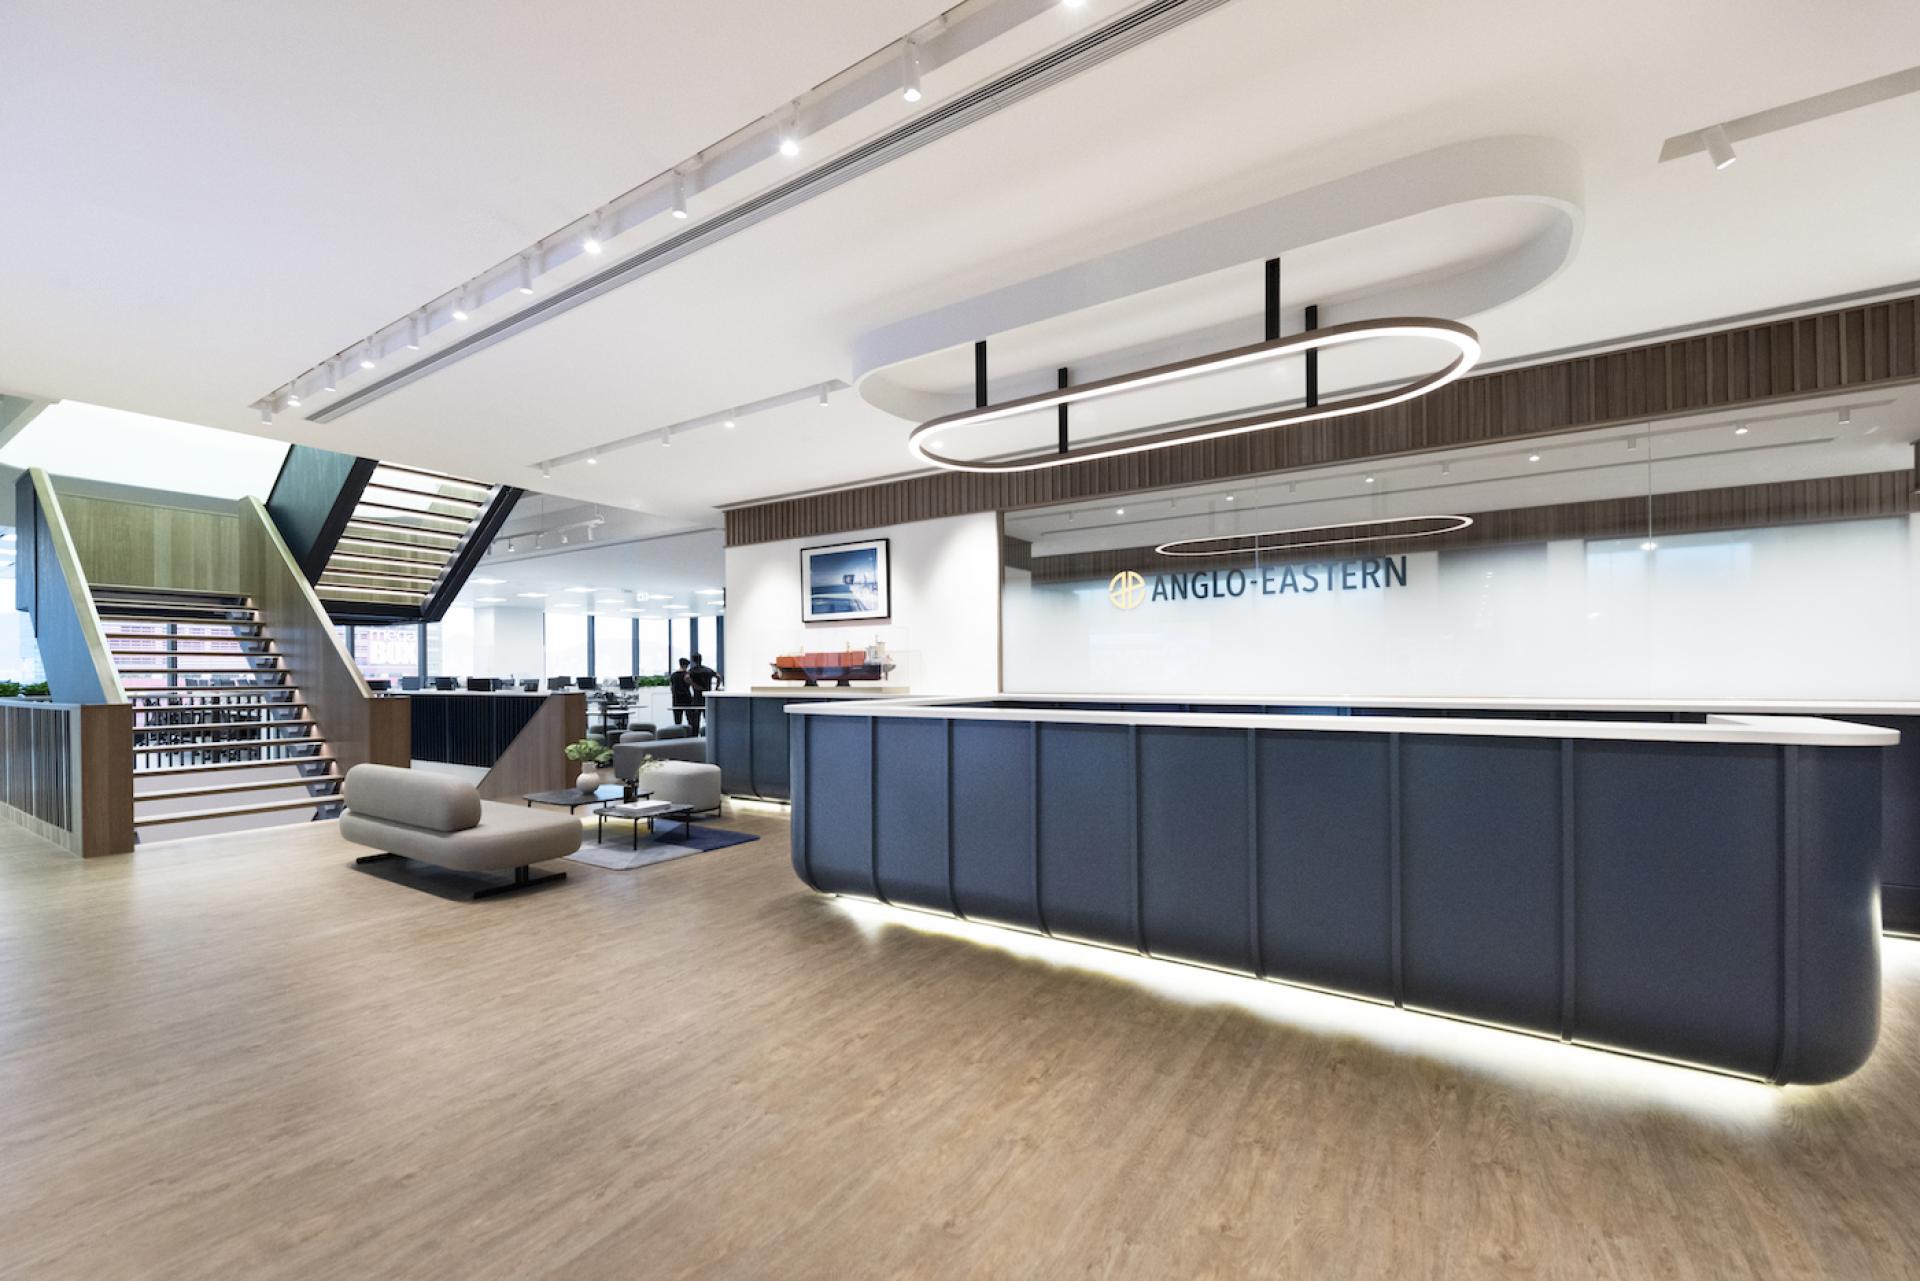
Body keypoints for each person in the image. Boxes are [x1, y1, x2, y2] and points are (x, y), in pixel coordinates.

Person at [686, 652, 718, 735]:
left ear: (693, 660)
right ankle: (709, 736)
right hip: (707, 697)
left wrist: (694, 685)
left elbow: (686, 678)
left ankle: (695, 737)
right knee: (709, 720)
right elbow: (718, 676)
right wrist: (716, 688)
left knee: (695, 721)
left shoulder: (692, 671)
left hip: (697, 697)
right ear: (701, 659)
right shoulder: (708, 670)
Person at [669, 658, 692, 727]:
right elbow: (691, 684)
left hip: (676, 699)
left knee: (677, 721)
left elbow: (671, 688)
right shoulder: (687, 675)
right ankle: (691, 733)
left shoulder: (673, 675)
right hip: (686, 699)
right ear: (686, 665)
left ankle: (678, 733)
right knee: (690, 719)